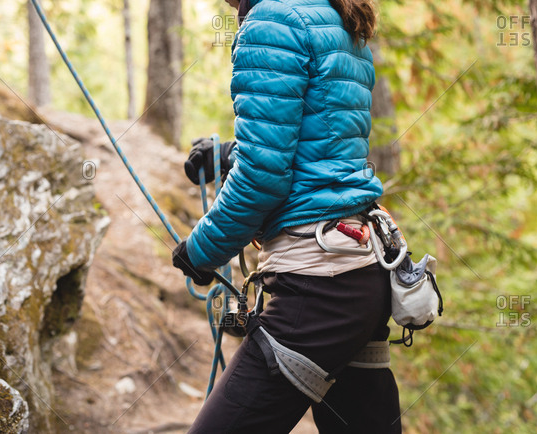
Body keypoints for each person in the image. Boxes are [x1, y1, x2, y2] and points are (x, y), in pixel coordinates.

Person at [172, 0, 402, 432]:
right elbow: (321, 144)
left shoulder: (273, 19)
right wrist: (227, 156)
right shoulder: (332, 14)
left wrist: (200, 251)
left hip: (319, 289)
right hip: (362, 276)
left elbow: (262, 178)